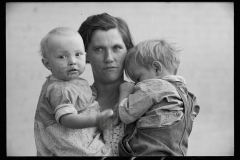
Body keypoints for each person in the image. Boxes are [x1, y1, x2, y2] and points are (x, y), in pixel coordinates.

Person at [34, 27, 114, 156]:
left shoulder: (77, 82)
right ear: (47, 64)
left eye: (78, 54)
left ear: (85, 56)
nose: (72, 61)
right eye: (62, 56)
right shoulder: (59, 89)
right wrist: (96, 120)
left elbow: (84, 98)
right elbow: (67, 119)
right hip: (67, 145)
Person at [116, 39, 200, 156]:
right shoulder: (187, 96)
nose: (136, 84)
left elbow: (125, 114)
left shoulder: (153, 87)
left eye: (138, 78)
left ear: (156, 68)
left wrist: (124, 92)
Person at [78, 13, 134, 156]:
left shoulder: (147, 97)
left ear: (128, 50)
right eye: (99, 49)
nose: (109, 58)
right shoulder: (74, 103)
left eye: (117, 48)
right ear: (85, 55)